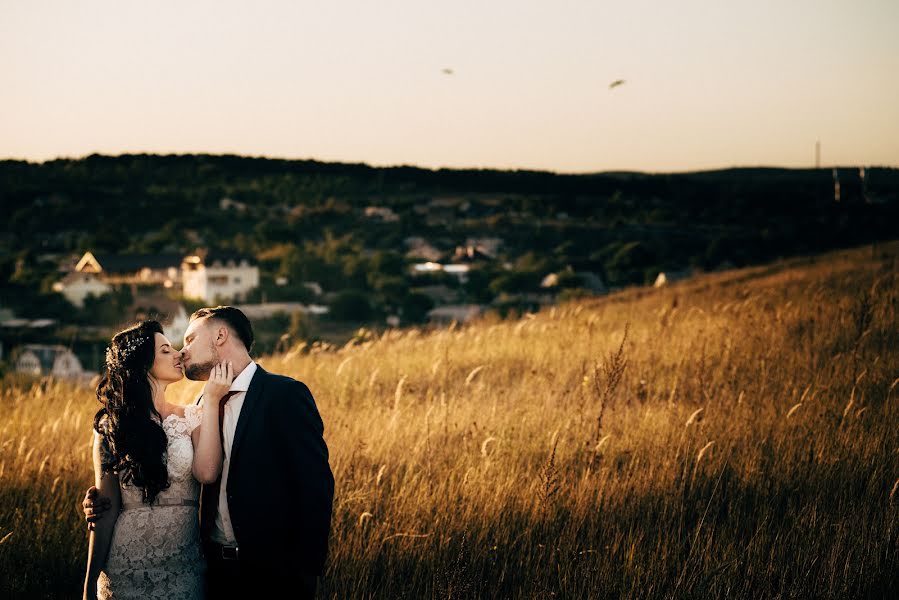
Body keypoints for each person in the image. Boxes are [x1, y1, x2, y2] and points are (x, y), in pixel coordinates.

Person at [83, 306, 335, 599]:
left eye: (189, 340)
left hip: (274, 570)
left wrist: (306, 573)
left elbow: (315, 486)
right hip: (214, 570)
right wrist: (97, 502)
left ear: (220, 335)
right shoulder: (203, 403)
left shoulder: (284, 394)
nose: (182, 351)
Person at [83, 320, 235, 600]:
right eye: (166, 350)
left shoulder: (194, 417)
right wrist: (89, 582)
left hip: (183, 566)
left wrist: (212, 400)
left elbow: (208, 473)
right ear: (142, 364)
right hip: (124, 567)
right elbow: (105, 509)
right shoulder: (111, 426)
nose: (178, 354)